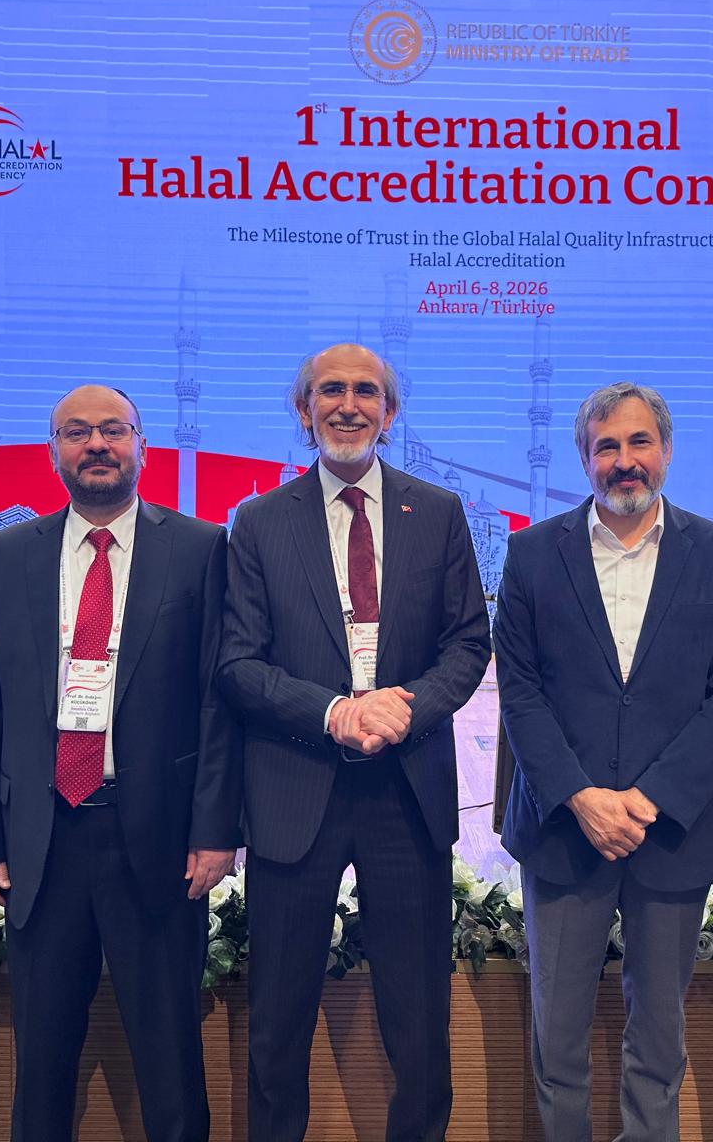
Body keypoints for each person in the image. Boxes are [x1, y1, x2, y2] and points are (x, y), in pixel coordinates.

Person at [0, 384, 240, 1142]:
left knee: (170, 1059)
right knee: (42, 1060)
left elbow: (218, 704)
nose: (97, 445)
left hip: (158, 839)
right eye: (77, 433)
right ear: (53, 452)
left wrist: (216, 829)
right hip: (41, 839)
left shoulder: (202, 548)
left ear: (142, 444)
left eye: (114, 430)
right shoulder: (2, 556)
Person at [218, 343, 491, 1142]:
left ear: (390, 412)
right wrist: (333, 711)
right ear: (303, 410)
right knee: (278, 1021)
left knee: (419, 1019)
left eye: (366, 391)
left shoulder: (437, 512)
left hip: (406, 792)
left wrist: (409, 708)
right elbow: (238, 663)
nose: (348, 404)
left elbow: (468, 643)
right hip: (295, 790)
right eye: (329, 390)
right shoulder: (260, 522)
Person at [493, 382, 713, 1141]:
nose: (624, 460)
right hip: (562, 828)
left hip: (670, 831)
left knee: (660, 1037)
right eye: (605, 446)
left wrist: (649, 800)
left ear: (666, 451)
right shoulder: (532, 553)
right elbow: (521, 691)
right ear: (584, 458)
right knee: (557, 1038)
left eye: (639, 441)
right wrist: (581, 796)